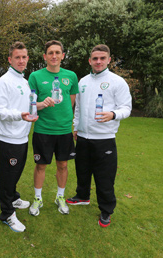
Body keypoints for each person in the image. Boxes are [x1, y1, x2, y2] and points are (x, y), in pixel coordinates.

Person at [66, 44, 132, 227]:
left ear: (109, 60)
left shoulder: (117, 82)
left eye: (102, 58)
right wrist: (76, 127)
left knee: (104, 177)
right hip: (84, 137)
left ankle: (106, 210)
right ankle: (82, 196)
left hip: (105, 138)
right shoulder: (83, 82)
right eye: (95, 58)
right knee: (83, 170)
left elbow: (126, 108)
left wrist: (113, 114)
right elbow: (77, 108)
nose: (98, 61)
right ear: (90, 60)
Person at [28, 40, 79, 216]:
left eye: (57, 52)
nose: (54, 56)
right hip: (43, 129)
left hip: (64, 130)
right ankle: (37, 198)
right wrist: (42, 103)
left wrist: (69, 122)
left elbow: (71, 103)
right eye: (50, 53)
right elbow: (30, 104)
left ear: (63, 56)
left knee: (63, 164)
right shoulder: (35, 76)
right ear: (45, 56)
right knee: (41, 165)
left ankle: (60, 196)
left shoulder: (71, 76)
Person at [0, 42, 38, 232]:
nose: (21, 60)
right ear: (10, 59)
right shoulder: (3, 82)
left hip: (22, 136)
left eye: (24, 57)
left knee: (16, 173)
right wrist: (20, 115)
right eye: (17, 57)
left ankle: (13, 198)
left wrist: (40, 105)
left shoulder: (24, 81)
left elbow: (27, 106)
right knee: (7, 177)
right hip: (8, 139)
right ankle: (7, 214)